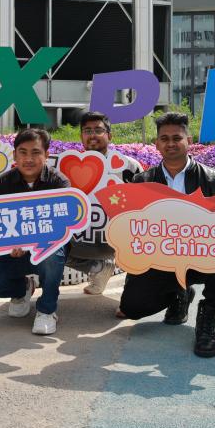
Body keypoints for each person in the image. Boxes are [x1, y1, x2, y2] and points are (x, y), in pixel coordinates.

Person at [117, 112, 215, 358]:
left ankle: (208, 316)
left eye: (177, 138)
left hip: (203, 259)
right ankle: (180, 294)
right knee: (132, 308)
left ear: (189, 141)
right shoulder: (141, 181)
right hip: (160, 261)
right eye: (164, 138)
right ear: (156, 144)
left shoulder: (214, 179)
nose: (171, 143)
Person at [0, 128, 71, 335]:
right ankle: (22, 288)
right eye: (22, 152)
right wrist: (10, 245)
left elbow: (61, 228)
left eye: (36, 152)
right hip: (11, 251)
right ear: (15, 155)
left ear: (47, 154)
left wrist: (30, 243)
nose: (28, 159)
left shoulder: (59, 183)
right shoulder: (2, 184)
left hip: (47, 249)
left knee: (53, 255)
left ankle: (47, 310)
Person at [63, 111, 141, 294]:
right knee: (49, 243)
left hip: (119, 242)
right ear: (81, 136)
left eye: (98, 130)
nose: (92, 135)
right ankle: (98, 268)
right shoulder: (68, 167)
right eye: (87, 130)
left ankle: (134, 292)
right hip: (81, 241)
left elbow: (143, 205)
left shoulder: (129, 166)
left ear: (109, 135)